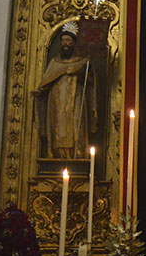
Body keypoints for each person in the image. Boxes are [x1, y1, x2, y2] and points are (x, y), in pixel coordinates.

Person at [33, 22, 98, 159]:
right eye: (63, 40)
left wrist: (87, 68)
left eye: (68, 40)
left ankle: (78, 152)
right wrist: (40, 92)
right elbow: (46, 81)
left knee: (76, 124)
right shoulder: (54, 63)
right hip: (57, 101)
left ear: (74, 43)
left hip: (76, 96)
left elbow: (89, 81)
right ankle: (58, 154)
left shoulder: (81, 61)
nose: (65, 43)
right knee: (58, 127)